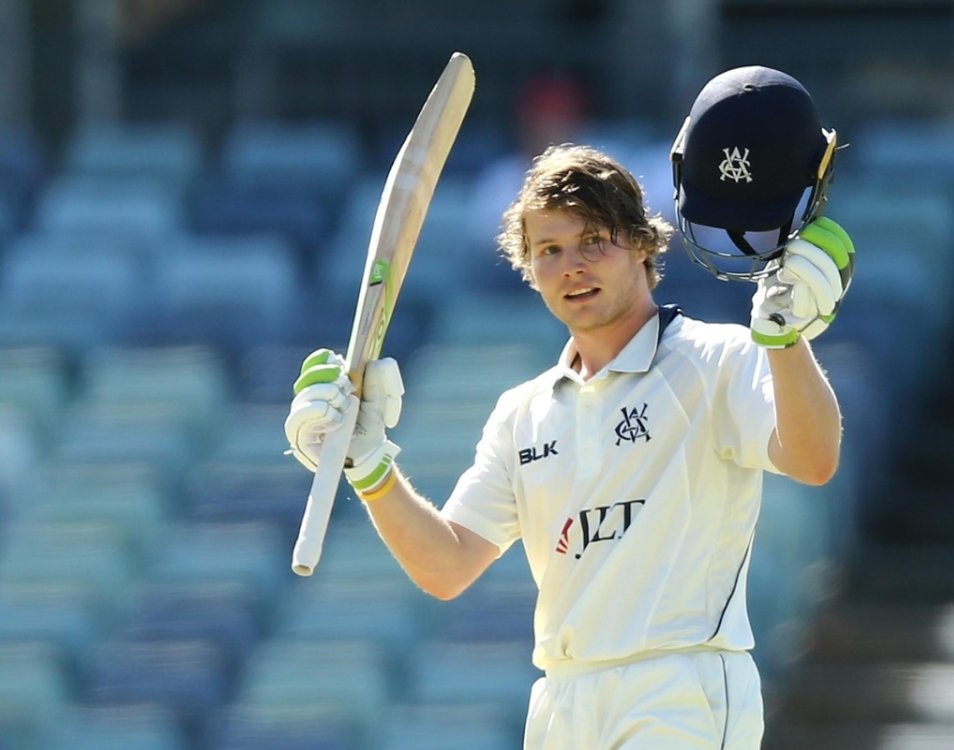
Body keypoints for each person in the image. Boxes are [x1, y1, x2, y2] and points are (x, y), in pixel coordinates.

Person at [285, 65, 855, 749]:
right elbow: (446, 566)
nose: (572, 267)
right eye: (550, 250)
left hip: (680, 689)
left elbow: (815, 459)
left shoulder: (713, 359)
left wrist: (784, 337)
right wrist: (366, 461)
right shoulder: (523, 413)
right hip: (561, 701)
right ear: (530, 270)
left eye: (593, 242)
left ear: (643, 246)